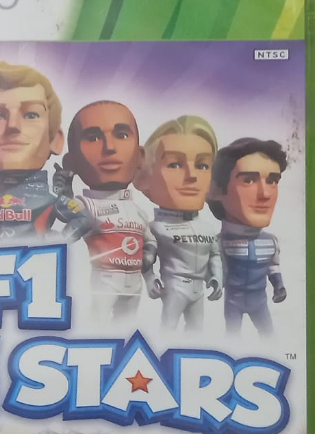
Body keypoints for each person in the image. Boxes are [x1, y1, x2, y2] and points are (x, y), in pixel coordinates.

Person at [0, 59, 88, 241]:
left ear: (55, 140)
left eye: (31, 114)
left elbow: (82, 218)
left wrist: (59, 243)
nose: (13, 126)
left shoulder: (50, 195)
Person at [60, 101, 156, 321]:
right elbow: (67, 217)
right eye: (93, 138)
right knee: (98, 326)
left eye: (121, 135)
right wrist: (63, 191)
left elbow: (149, 241)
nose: (109, 147)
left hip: (134, 285)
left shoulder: (139, 212)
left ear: (140, 156)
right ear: (71, 162)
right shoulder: (87, 205)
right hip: (104, 282)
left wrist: (150, 274)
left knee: (127, 330)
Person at [135, 115, 223, 330]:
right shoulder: (154, 228)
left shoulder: (208, 229)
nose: (192, 176)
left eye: (202, 165)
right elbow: (144, 255)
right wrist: (149, 278)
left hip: (199, 289)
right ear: (145, 175)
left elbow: (215, 255)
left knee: (197, 332)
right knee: (167, 329)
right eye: (174, 164)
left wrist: (217, 277)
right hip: (174, 287)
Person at [208, 137, 288, 336]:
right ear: (215, 190)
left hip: (260, 302)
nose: (265, 194)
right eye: (248, 180)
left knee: (270, 339)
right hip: (232, 302)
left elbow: (273, 267)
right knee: (232, 341)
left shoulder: (271, 241)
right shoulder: (217, 243)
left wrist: (279, 286)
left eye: (272, 181)